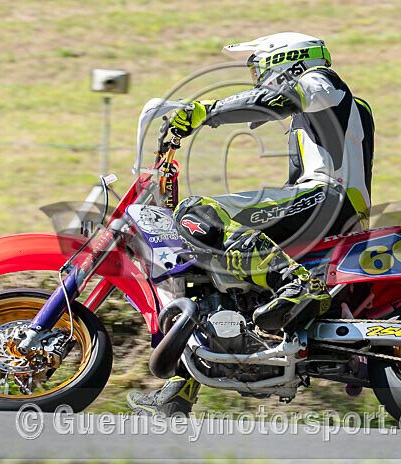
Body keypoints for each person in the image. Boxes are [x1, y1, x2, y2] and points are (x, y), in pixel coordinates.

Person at [127, 32, 375, 417]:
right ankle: (180, 387)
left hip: (327, 199)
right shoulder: (332, 106)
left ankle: (294, 283)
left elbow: (273, 101)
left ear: (288, 60)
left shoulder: (321, 81)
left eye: (259, 67)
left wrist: (203, 111)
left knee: (199, 213)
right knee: (207, 270)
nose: (257, 77)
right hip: (330, 204)